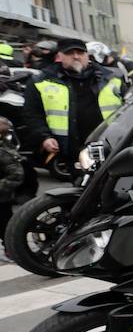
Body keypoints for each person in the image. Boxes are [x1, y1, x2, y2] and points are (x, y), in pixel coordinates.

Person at [21, 38, 123, 170]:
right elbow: (32, 114)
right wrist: (44, 137)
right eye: (70, 53)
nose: (76, 56)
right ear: (60, 56)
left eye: (80, 53)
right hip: (72, 149)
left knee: (114, 185)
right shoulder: (41, 81)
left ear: (87, 55)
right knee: (85, 186)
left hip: (109, 144)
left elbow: (129, 106)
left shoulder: (110, 78)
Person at [0, 117, 26, 239]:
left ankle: (10, 249)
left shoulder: (4, 152)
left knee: (5, 226)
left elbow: (16, 175)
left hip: (2, 199)